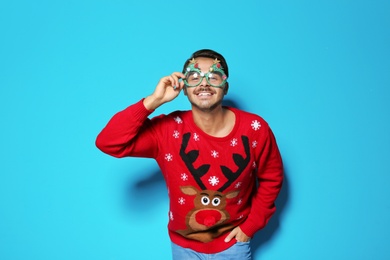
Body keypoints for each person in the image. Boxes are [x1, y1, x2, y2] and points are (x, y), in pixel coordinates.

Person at [96, 49, 283, 259]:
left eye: (213, 77)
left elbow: (272, 178)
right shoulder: (167, 130)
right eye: (194, 77)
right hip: (184, 247)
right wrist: (154, 100)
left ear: (225, 86)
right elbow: (108, 142)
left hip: (233, 245)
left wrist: (250, 227)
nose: (204, 84)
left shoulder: (255, 129)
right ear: (184, 88)